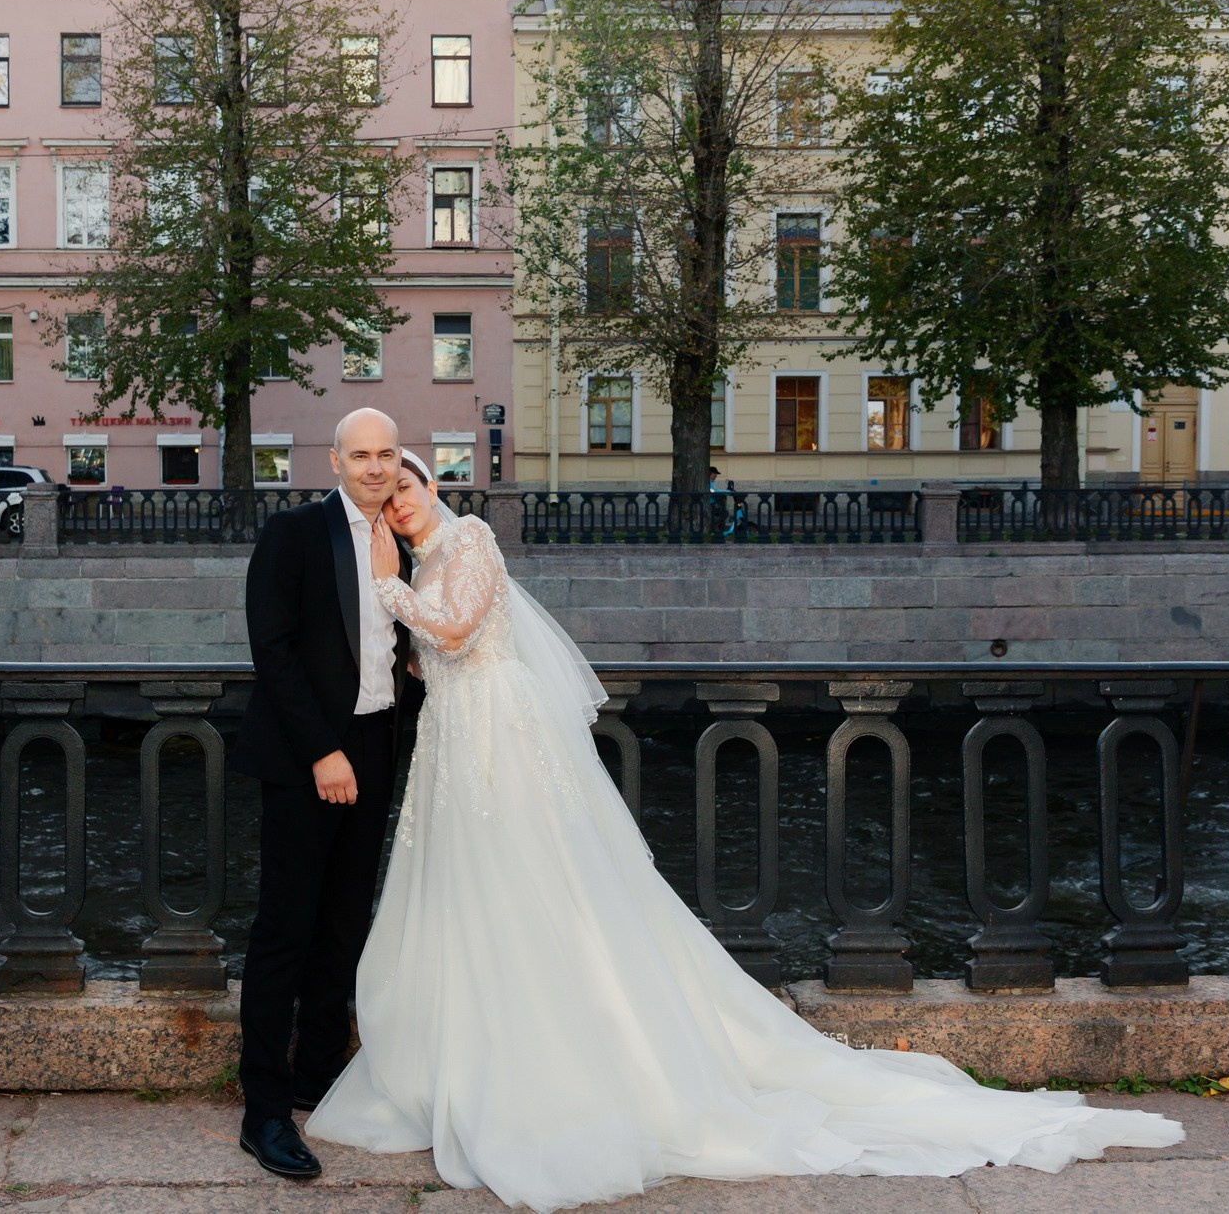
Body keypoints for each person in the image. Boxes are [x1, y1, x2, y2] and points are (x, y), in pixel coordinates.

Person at [303, 454, 1183, 1212]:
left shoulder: (470, 542)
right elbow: (426, 654)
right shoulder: (416, 564)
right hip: (453, 745)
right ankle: (472, 1053)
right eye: (389, 498)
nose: (401, 501)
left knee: (548, 887)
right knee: (467, 897)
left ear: (430, 485)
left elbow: (457, 627)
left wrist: (386, 587)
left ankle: (578, 1065)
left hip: (502, 737)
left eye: (409, 484)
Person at [230, 408, 414, 1181]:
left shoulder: (406, 536)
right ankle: (264, 1110)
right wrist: (323, 751)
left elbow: (402, 646)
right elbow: (271, 649)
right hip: (314, 756)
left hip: (378, 746)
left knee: (345, 922)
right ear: (334, 461)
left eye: (386, 454)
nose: (375, 466)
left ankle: (315, 1074)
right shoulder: (294, 534)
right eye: (360, 454)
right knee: (286, 930)